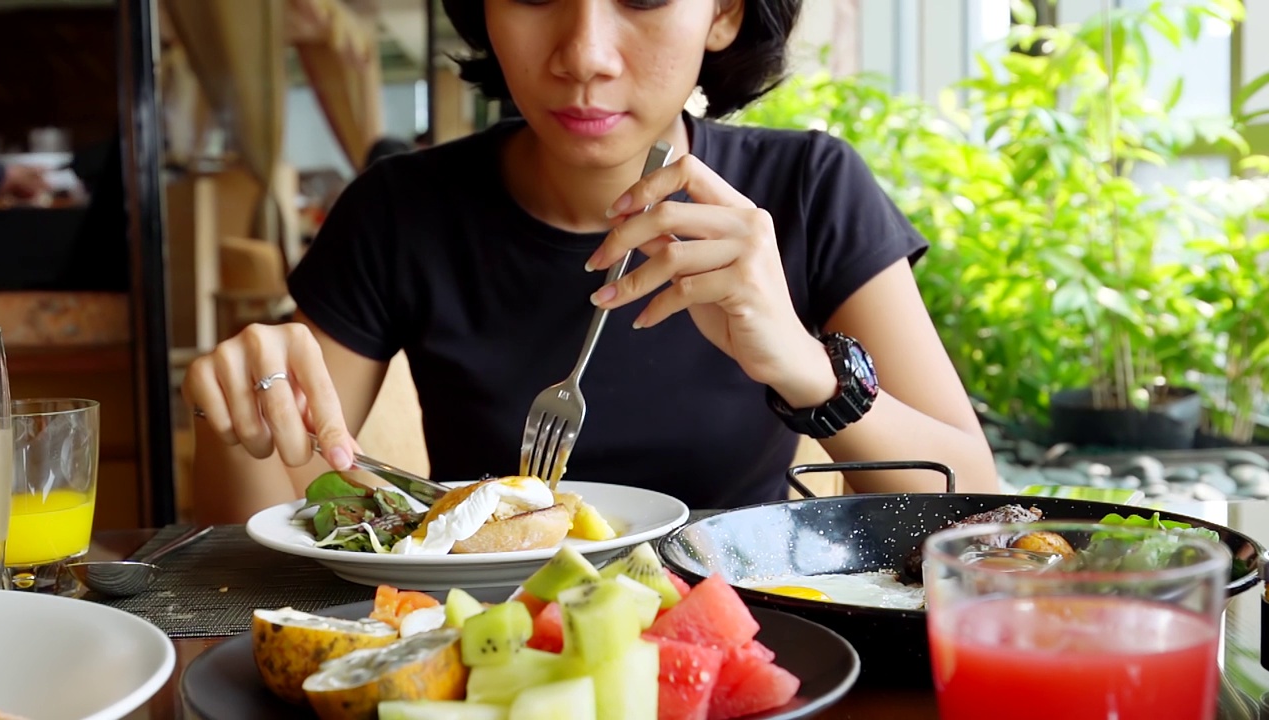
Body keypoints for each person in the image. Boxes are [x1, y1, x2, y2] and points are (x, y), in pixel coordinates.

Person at [184, 0, 999, 524]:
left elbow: (977, 510)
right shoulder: (401, 212)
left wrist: (803, 368)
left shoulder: (809, 189)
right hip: (488, 655)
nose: (584, 54)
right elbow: (264, 544)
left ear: (722, 15)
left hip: (747, 649)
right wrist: (240, 415)